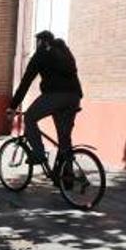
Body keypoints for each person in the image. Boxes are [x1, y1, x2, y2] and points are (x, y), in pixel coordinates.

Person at [6, 31, 83, 167]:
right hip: (74, 97)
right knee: (64, 139)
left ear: (41, 42)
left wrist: (12, 106)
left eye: (37, 42)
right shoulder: (64, 50)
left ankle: (39, 153)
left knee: (29, 117)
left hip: (55, 96)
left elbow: (26, 82)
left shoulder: (40, 54)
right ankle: (67, 178)